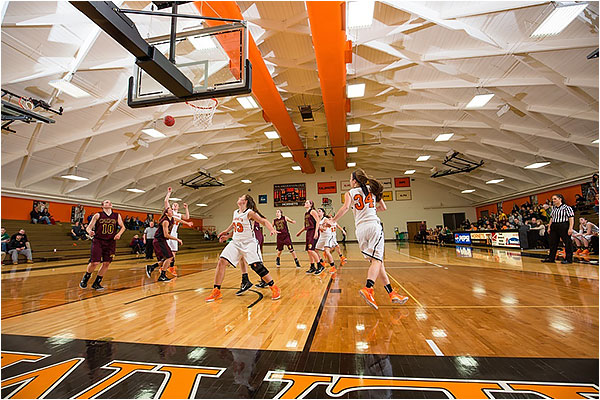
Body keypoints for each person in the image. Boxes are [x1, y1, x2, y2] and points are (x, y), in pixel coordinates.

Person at [325, 169, 408, 309]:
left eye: (350, 179)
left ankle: (391, 293)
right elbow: (384, 208)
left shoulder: (349, 193)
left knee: (378, 263)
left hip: (360, 231)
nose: (349, 181)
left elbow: (345, 208)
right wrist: (372, 209)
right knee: (377, 261)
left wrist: (333, 220)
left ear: (355, 181)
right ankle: (368, 288)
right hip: (373, 226)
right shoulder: (373, 189)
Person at [205, 194, 280, 302]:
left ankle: (274, 287)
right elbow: (235, 225)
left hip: (249, 243)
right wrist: (227, 233)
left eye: (241, 197)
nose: (238, 198)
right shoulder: (235, 212)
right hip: (236, 242)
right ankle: (216, 290)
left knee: (256, 266)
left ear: (245, 201)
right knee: (222, 261)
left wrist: (271, 229)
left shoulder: (250, 213)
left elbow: (264, 221)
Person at [79, 200, 126, 290]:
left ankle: (97, 282)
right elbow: (88, 228)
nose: (109, 203)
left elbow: (123, 227)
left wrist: (119, 234)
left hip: (111, 242)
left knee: (106, 263)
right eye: (106, 202)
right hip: (98, 241)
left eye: (110, 202)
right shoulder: (98, 215)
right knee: (95, 262)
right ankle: (85, 278)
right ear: (102, 205)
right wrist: (90, 232)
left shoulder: (117, 215)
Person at [146, 206, 182, 282]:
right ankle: (162, 275)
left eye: (172, 210)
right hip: (159, 241)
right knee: (169, 257)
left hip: (162, 240)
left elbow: (180, 220)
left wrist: (188, 223)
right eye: (170, 210)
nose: (172, 211)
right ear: (166, 213)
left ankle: (152, 267)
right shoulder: (165, 221)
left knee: (167, 259)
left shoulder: (172, 219)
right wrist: (177, 239)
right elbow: (166, 235)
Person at [164, 188, 193, 277]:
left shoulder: (179, 214)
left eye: (177, 204)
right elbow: (165, 201)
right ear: (172, 207)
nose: (175, 205)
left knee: (174, 253)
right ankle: (164, 266)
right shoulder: (170, 212)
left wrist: (187, 208)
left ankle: (171, 267)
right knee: (168, 252)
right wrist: (169, 193)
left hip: (174, 234)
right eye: (174, 204)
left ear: (178, 207)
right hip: (168, 233)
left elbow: (187, 217)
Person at [542, 194, 575, 264]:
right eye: (553, 199)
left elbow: (571, 218)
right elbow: (551, 218)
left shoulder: (567, 208)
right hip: (554, 225)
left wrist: (570, 228)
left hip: (563, 225)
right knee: (552, 243)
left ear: (560, 199)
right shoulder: (553, 208)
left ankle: (568, 259)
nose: (553, 200)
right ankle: (551, 258)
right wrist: (549, 227)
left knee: (567, 243)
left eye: (555, 199)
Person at [296, 200, 321, 274]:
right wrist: (300, 232)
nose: (305, 203)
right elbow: (306, 225)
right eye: (305, 202)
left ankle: (320, 265)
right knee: (308, 251)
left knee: (311, 250)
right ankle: (312, 266)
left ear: (311, 205)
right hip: (308, 232)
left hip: (313, 231)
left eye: (307, 202)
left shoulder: (313, 211)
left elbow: (318, 221)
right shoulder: (306, 213)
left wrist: (316, 231)